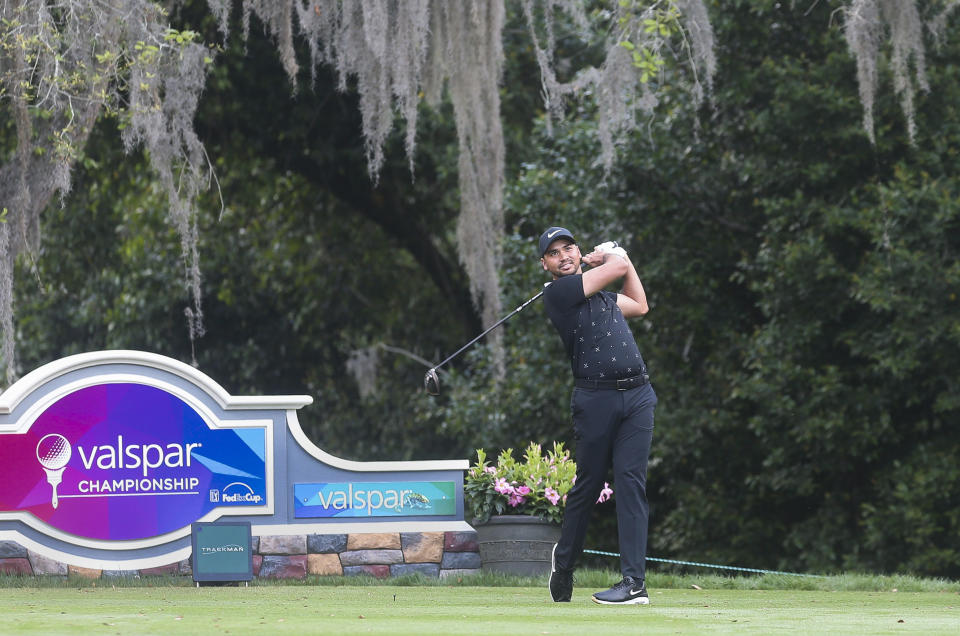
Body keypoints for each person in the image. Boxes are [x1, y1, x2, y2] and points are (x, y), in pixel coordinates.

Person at [538, 225, 657, 605]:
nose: (565, 256)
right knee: (588, 486)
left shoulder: (604, 300)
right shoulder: (558, 294)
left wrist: (619, 260)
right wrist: (609, 257)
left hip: (638, 395)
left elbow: (639, 304)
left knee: (631, 484)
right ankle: (566, 562)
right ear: (546, 265)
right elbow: (618, 265)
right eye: (555, 253)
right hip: (595, 400)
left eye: (569, 248)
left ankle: (634, 584)